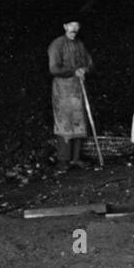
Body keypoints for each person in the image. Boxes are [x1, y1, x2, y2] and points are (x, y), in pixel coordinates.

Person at [48, 19, 94, 169]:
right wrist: (73, 71)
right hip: (63, 90)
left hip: (78, 89)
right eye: (70, 25)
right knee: (64, 123)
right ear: (64, 26)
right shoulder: (57, 44)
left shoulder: (80, 44)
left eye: (77, 25)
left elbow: (90, 63)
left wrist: (84, 70)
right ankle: (63, 160)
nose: (74, 28)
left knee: (79, 122)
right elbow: (54, 69)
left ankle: (76, 158)